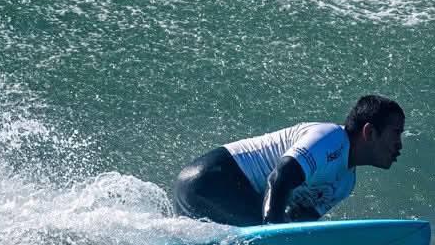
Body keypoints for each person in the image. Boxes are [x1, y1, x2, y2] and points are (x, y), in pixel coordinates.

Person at [172, 95, 405, 226]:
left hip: (220, 193)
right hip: (213, 178)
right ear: (369, 132)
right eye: (396, 133)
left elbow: (300, 220)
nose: (399, 145)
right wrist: (272, 231)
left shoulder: (345, 184)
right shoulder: (330, 139)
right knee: (260, 232)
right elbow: (281, 176)